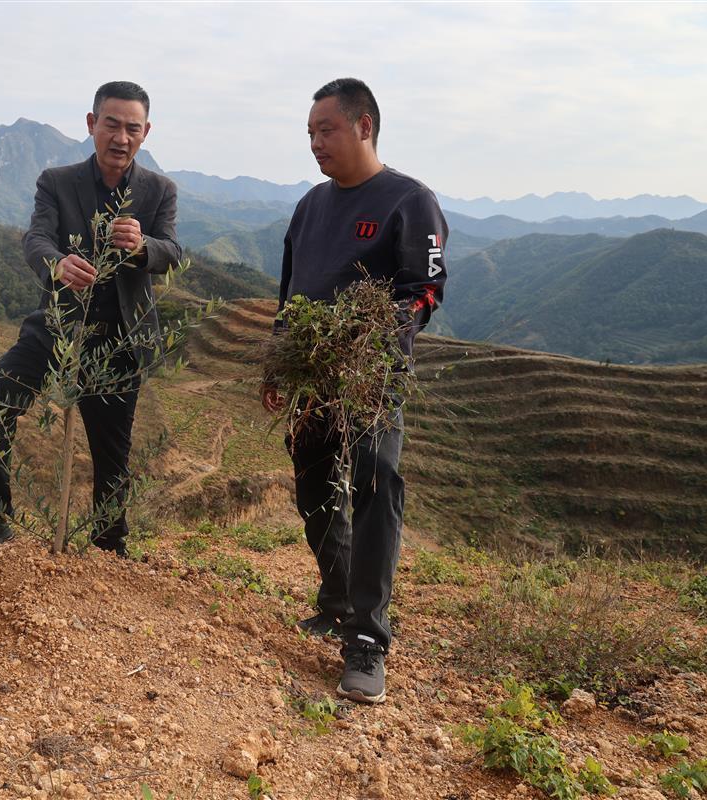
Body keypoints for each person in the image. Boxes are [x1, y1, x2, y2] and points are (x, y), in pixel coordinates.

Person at [262, 78, 448, 703]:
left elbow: (424, 291)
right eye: (310, 133)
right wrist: (277, 364)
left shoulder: (409, 201)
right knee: (312, 486)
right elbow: (290, 295)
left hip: (371, 377)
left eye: (327, 130)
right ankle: (338, 598)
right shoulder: (310, 205)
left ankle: (367, 638)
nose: (316, 143)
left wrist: (370, 337)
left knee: (374, 484)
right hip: (311, 379)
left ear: (364, 126)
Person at [0, 80, 182, 556]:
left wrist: (143, 247)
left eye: (132, 128)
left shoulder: (159, 190)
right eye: (111, 124)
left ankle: (108, 544)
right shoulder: (56, 181)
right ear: (92, 124)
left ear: (146, 132)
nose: (121, 137)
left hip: (120, 340)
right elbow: (36, 238)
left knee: (111, 450)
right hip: (56, 328)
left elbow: (173, 251)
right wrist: (57, 264)